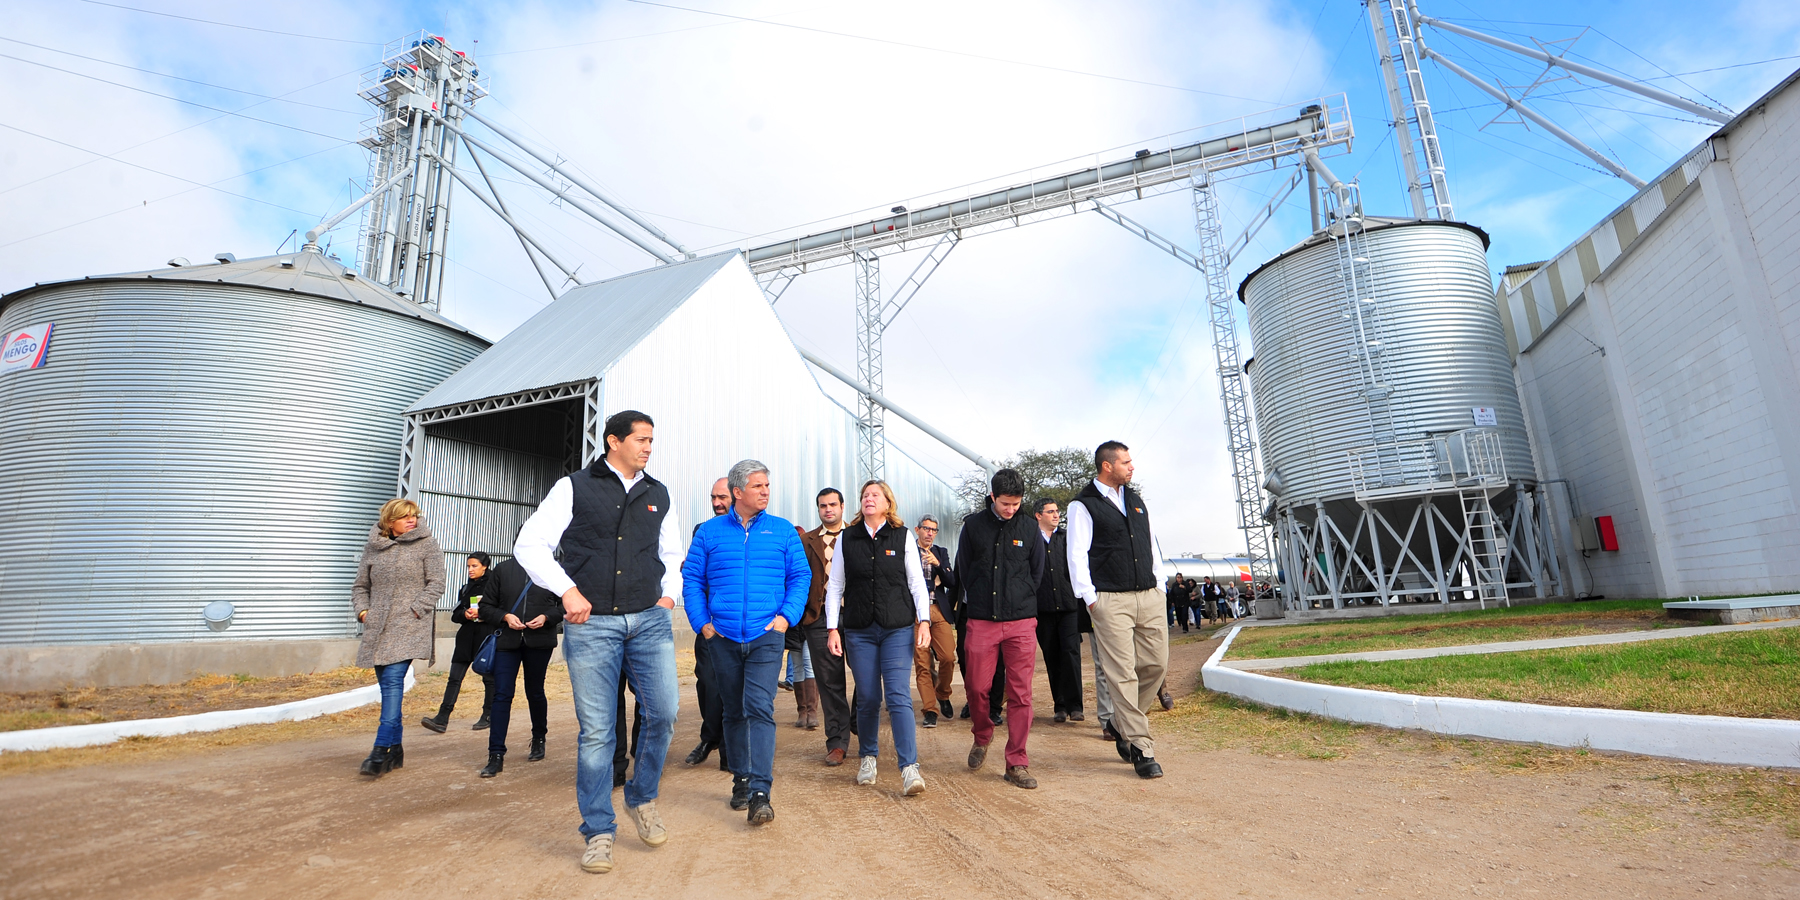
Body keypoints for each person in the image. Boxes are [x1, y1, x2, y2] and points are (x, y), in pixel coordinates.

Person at [514, 410, 684, 875]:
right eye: (641, 440)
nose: (649, 447)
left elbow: (670, 553)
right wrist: (566, 591)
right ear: (614, 441)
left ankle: (641, 797)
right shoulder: (574, 486)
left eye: (653, 440)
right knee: (597, 733)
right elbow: (529, 544)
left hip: (649, 621)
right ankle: (598, 830)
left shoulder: (658, 493)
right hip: (593, 628)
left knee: (665, 713)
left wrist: (669, 597)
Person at [682, 459, 810, 825]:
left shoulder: (783, 531)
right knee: (733, 710)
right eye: (758, 486)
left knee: (758, 707)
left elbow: (800, 576)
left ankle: (760, 791)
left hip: (766, 636)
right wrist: (703, 624)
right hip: (721, 637)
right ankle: (740, 778)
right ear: (738, 492)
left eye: (767, 486)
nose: (766, 492)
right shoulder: (708, 533)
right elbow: (692, 579)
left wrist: (785, 618)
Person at [824, 480, 932, 796]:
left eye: (875, 495)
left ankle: (909, 768)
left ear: (888, 503)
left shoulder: (902, 537)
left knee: (897, 695)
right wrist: (833, 628)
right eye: (865, 495)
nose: (869, 499)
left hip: (897, 628)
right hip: (859, 630)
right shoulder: (848, 538)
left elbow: (916, 584)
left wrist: (923, 620)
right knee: (869, 697)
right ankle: (868, 757)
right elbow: (835, 587)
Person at [1069, 441, 1166, 780]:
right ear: (1107, 466)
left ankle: (1119, 721)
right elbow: (1076, 554)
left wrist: (1161, 584)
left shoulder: (1135, 501)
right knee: (1122, 672)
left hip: (1149, 595)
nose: (1131, 467)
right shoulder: (1083, 505)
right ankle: (1141, 746)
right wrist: (1091, 599)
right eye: (1125, 462)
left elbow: (1151, 544)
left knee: (1156, 665)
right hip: (1111, 600)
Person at [955, 468, 1046, 789]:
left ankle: (1016, 761)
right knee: (977, 687)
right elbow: (964, 570)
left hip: (1021, 621)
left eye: (1016, 503)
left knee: (1021, 693)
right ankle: (982, 735)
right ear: (992, 497)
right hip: (981, 620)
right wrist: (981, 598)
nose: (1011, 509)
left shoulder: (1030, 527)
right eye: (1005, 503)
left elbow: (1037, 573)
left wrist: (1019, 600)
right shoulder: (973, 527)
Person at [350, 498, 445, 777]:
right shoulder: (373, 547)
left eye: (414, 515)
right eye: (405, 517)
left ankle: (379, 752)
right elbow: (360, 586)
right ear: (390, 522)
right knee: (388, 689)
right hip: (378, 629)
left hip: (408, 628)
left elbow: (437, 582)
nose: (412, 520)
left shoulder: (427, 544)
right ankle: (397, 750)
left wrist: (415, 609)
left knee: (392, 684)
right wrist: (363, 613)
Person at [476, 556, 564, 777]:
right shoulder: (503, 570)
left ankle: (538, 738)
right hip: (507, 641)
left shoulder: (551, 569)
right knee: (502, 694)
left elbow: (566, 604)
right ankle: (495, 754)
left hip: (539, 640)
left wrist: (546, 616)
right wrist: (505, 616)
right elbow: (485, 606)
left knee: (535, 691)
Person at [799, 488, 853, 765]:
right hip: (819, 618)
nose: (828, 509)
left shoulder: (857, 535)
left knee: (867, 677)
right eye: (823, 506)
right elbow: (798, 578)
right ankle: (837, 743)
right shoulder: (806, 540)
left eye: (833, 504)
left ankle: (857, 724)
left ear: (843, 506)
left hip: (856, 617)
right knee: (830, 684)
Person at [684, 477, 732, 770]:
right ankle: (710, 736)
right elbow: (694, 578)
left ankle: (728, 750)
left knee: (733, 690)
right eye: (713, 497)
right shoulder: (702, 531)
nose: (717, 503)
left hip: (740, 628)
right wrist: (702, 622)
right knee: (707, 684)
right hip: (709, 628)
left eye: (722, 497)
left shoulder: (753, 532)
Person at [422, 553, 497, 734]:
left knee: (489, 679)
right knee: (454, 678)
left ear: (485, 566)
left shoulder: (495, 586)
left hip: (485, 638)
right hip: (465, 639)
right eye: (468, 566)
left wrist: (483, 614)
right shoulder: (465, 589)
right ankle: (442, 718)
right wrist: (465, 614)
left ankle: (488, 715)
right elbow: (455, 615)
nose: (470, 570)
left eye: (474, 566)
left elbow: (500, 612)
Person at [1033, 499, 1084, 724]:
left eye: (1057, 511)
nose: (1056, 515)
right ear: (1038, 515)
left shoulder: (1066, 537)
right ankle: (1060, 705)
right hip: (1042, 608)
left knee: (1071, 654)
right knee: (1052, 656)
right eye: (1050, 511)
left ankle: (1076, 706)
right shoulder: (1031, 540)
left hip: (1068, 607)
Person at [912, 515, 957, 728]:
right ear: (917, 530)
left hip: (937, 609)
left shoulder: (940, 552)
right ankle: (930, 710)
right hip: (914, 613)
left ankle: (943, 693)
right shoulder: (908, 551)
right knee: (923, 664)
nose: (930, 533)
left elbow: (951, 581)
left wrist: (938, 564)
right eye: (926, 529)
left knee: (948, 656)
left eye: (934, 530)